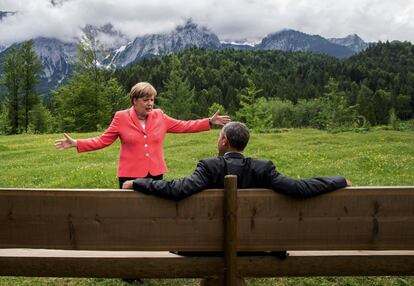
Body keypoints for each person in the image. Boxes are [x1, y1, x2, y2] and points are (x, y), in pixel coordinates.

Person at [54, 82, 230, 188]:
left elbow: (183, 126)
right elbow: (103, 140)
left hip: (155, 173)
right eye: (146, 100)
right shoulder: (120, 117)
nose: (150, 103)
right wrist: (77, 143)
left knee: (153, 211)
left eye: (152, 99)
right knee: (129, 212)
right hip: (129, 174)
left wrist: (208, 121)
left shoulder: (160, 116)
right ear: (134, 101)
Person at [122, 121, 351, 198]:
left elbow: (177, 189)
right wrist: (339, 180)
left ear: (223, 141)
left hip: (205, 246)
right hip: (257, 245)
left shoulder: (209, 167)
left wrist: (137, 182)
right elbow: (300, 188)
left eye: (218, 137)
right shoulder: (263, 169)